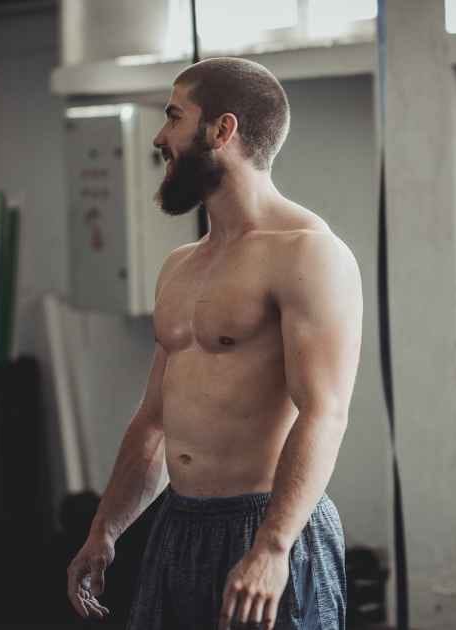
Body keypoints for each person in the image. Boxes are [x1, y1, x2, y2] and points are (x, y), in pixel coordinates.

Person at [66, 57, 362, 630]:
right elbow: (154, 420)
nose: (160, 137)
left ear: (222, 130)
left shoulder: (308, 252)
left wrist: (273, 548)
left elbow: (325, 411)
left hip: (268, 527)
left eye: (174, 116)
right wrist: (105, 527)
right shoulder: (180, 265)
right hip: (178, 527)